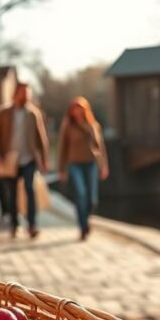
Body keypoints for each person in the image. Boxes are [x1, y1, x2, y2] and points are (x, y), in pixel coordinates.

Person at [0, 83, 50, 238]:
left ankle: (32, 224)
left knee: (30, 189)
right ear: (15, 94)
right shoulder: (3, 113)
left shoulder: (33, 114)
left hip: (28, 159)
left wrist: (44, 159)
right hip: (9, 160)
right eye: (23, 92)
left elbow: (41, 138)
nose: (26, 96)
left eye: (28, 93)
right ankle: (15, 224)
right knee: (12, 194)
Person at [58, 97, 109, 240]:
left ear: (85, 109)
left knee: (92, 200)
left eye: (80, 108)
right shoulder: (68, 127)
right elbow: (62, 148)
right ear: (71, 111)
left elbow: (101, 147)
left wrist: (104, 165)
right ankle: (83, 226)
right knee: (81, 194)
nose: (77, 111)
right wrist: (61, 169)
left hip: (91, 163)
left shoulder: (93, 125)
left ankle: (85, 219)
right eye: (75, 108)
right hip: (75, 164)